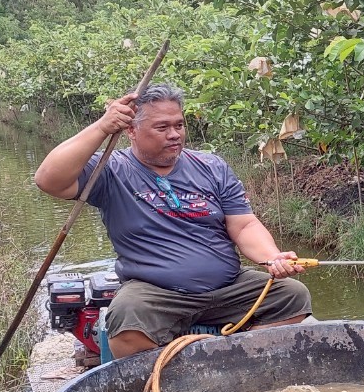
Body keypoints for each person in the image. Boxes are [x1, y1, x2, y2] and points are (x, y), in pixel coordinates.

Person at [34, 83, 311, 359]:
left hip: (228, 288)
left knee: (292, 296)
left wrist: (272, 258)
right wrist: (102, 127)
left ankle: (240, 361)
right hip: (156, 295)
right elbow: (48, 180)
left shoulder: (211, 166)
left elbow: (244, 225)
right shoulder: (110, 170)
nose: (174, 135)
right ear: (131, 130)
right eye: (162, 127)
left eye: (179, 125)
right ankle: (162, 383)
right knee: (127, 317)